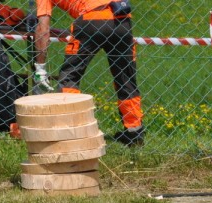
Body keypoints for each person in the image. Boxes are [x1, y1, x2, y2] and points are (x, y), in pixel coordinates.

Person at [33, 0, 144, 146]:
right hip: (121, 19)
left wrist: (40, 68)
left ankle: (72, 130)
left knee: (70, 77)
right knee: (125, 78)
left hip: (91, 20)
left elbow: (43, 28)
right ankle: (134, 132)